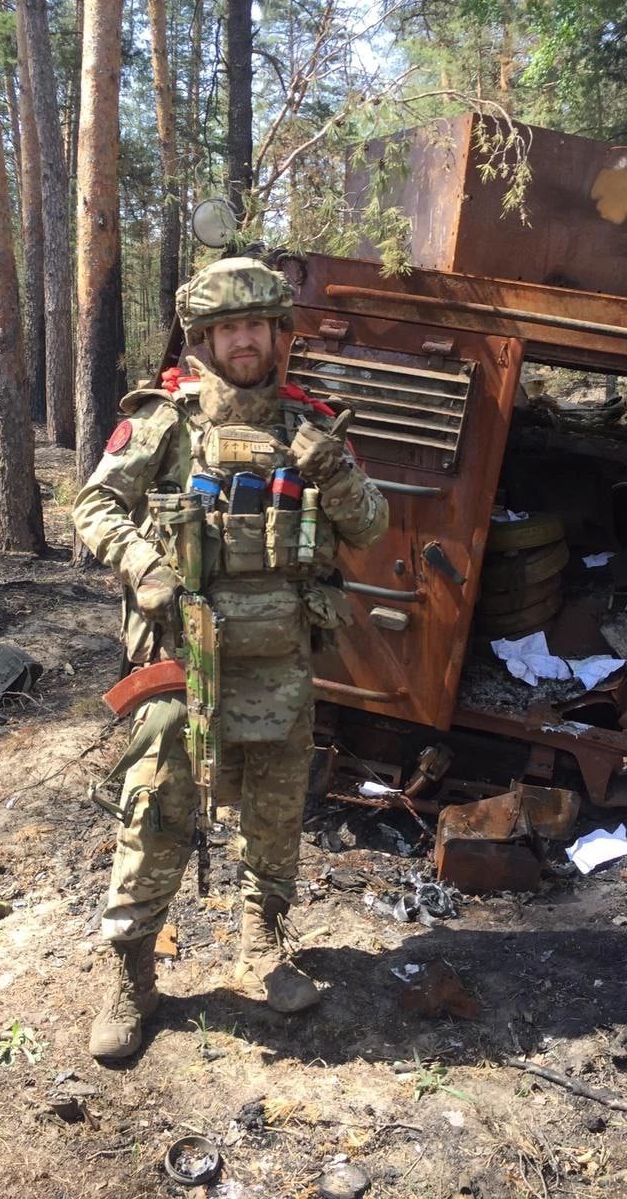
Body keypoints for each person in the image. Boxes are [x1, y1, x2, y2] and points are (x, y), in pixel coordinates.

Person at [73, 255, 388, 1062]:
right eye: (228, 328)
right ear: (205, 338)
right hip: (186, 660)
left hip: (280, 662)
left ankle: (264, 944)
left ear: (279, 335)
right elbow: (95, 505)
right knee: (154, 814)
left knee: (276, 818)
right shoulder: (167, 422)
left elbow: (371, 528)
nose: (244, 340)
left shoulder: (313, 428)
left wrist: (332, 470)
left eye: (257, 325)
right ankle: (131, 975)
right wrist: (145, 566)